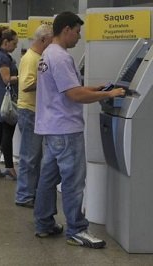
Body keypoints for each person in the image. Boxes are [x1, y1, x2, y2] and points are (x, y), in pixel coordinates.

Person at [33, 11, 125, 248]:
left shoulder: (47, 55)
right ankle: (77, 230)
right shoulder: (61, 57)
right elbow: (74, 95)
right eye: (77, 32)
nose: (78, 37)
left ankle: (43, 224)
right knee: (73, 181)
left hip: (51, 128)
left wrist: (94, 87)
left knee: (48, 179)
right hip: (66, 129)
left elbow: (64, 88)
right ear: (66, 30)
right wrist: (108, 94)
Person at [14, 24, 53, 208]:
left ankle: (31, 192)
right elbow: (27, 84)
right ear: (43, 40)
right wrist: (49, 80)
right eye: (52, 40)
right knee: (29, 157)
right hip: (30, 111)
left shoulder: (37, 57)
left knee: (34, 156)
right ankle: (24, 195)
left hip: (33, 111)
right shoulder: (32, 59)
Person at [0, 26, 18, 180]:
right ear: (5, 42)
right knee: (7, 133)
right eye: (14, 43)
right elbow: (7, 79)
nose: (16, 46)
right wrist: (25, 77)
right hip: (6, 101)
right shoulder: (3, 58)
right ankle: (9, 167)